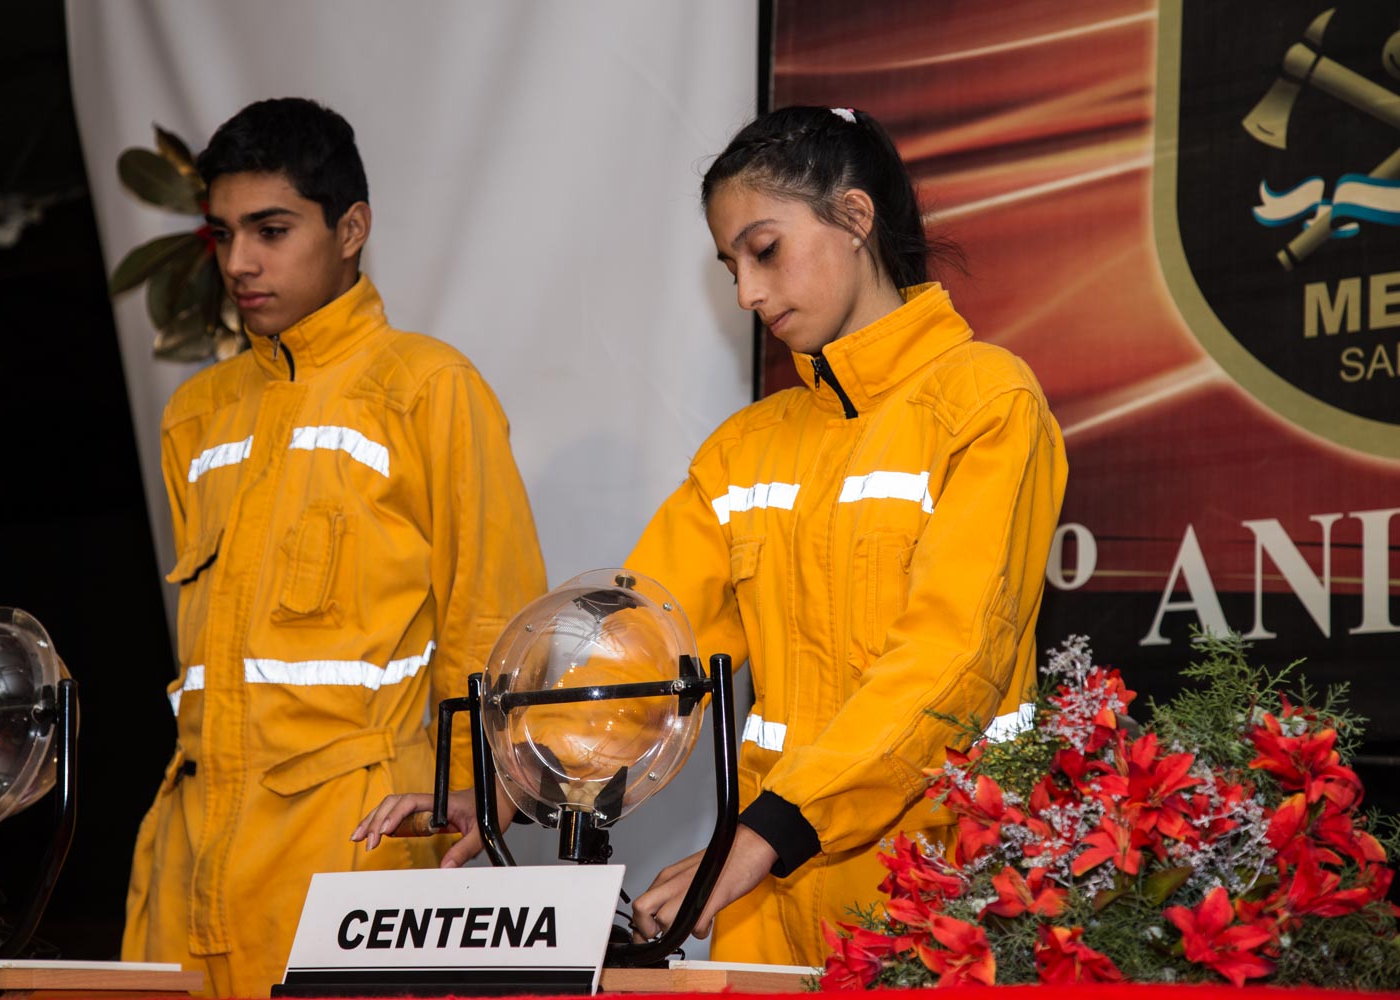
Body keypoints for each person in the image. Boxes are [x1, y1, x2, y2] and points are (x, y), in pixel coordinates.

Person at [353, 105, 1066, 967]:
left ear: (855, 217)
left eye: (764, 251)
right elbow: (640, 653)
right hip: (764, 896)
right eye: (731, 266)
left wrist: (767, 833)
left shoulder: (989, 404)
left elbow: (949, 661)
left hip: (945, 886)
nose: (746, 295)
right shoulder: (744, 450)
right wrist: (515, 789)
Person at [121, 97, 547, 998]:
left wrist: (486, 790)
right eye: (224, 233)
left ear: (351, 229)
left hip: (356, 846)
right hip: (192, 851)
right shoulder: (195, 416)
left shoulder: (428, 388)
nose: (240, 262)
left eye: (271, 230)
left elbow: (492, 618)